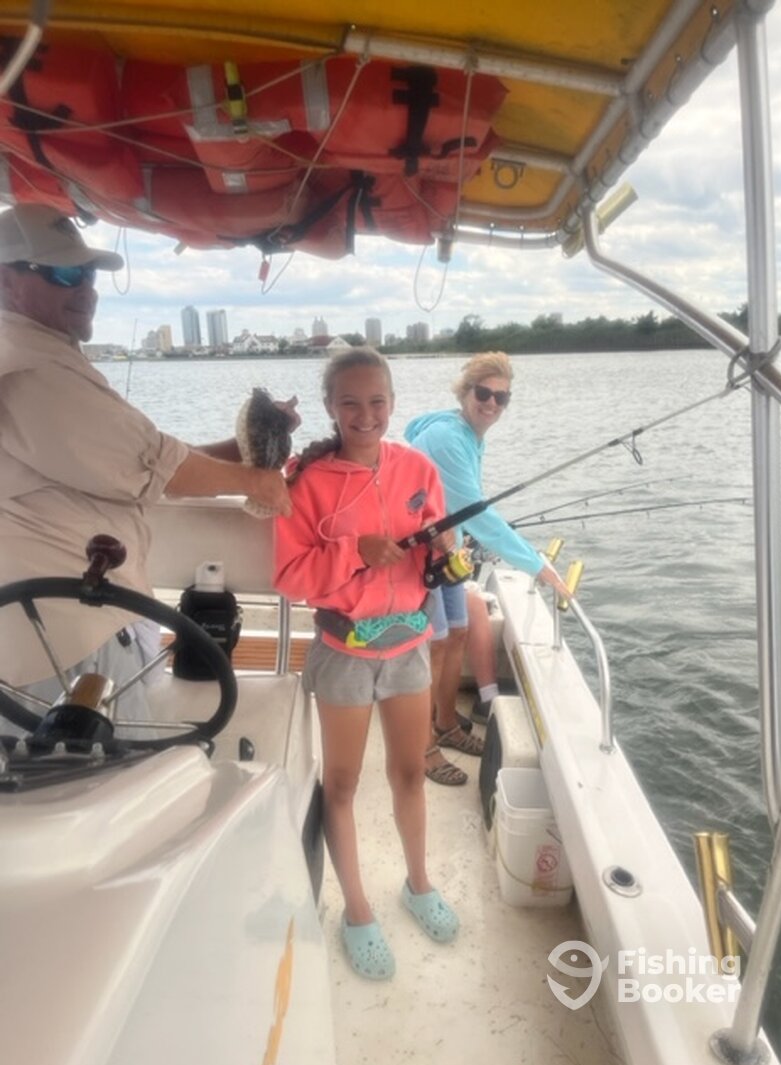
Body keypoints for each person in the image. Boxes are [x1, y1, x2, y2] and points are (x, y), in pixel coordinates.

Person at [0, 203, 291, 730]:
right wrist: (257, 482)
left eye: (88, 273)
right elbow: (156, 466)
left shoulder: (34, 354)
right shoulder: (33, 368)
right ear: (6, 279)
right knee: (98, 773)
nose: (85, 288)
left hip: (42, 634)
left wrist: (240, 446)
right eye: (63, 273)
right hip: (71, 642)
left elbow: (141, 458)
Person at [273, 347, 459, 980]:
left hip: (408, 649)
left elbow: (441, 542)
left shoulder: (419, 469)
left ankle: (419, 883)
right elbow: (290, 575)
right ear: (330, 406)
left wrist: (444, 551)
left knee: (410, 773)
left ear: (393, 403)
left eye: (377, 401)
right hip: (344, 654)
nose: (365, 414)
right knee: (343, 785)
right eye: (350, 403)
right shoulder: (304, 481)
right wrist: (356, 551)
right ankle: (356, 911)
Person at [405, 351, 568, 785]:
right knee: (435, 645)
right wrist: (538, 566)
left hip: (448, 552)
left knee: (457, 632)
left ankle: (445, 722)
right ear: (465, 393)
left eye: (502, 397)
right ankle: (422, 747)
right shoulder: (446, 436)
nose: (492, 404)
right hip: (419, 556)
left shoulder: (470, 434)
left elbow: (460, 507)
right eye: (483, 393)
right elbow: (479, 514)